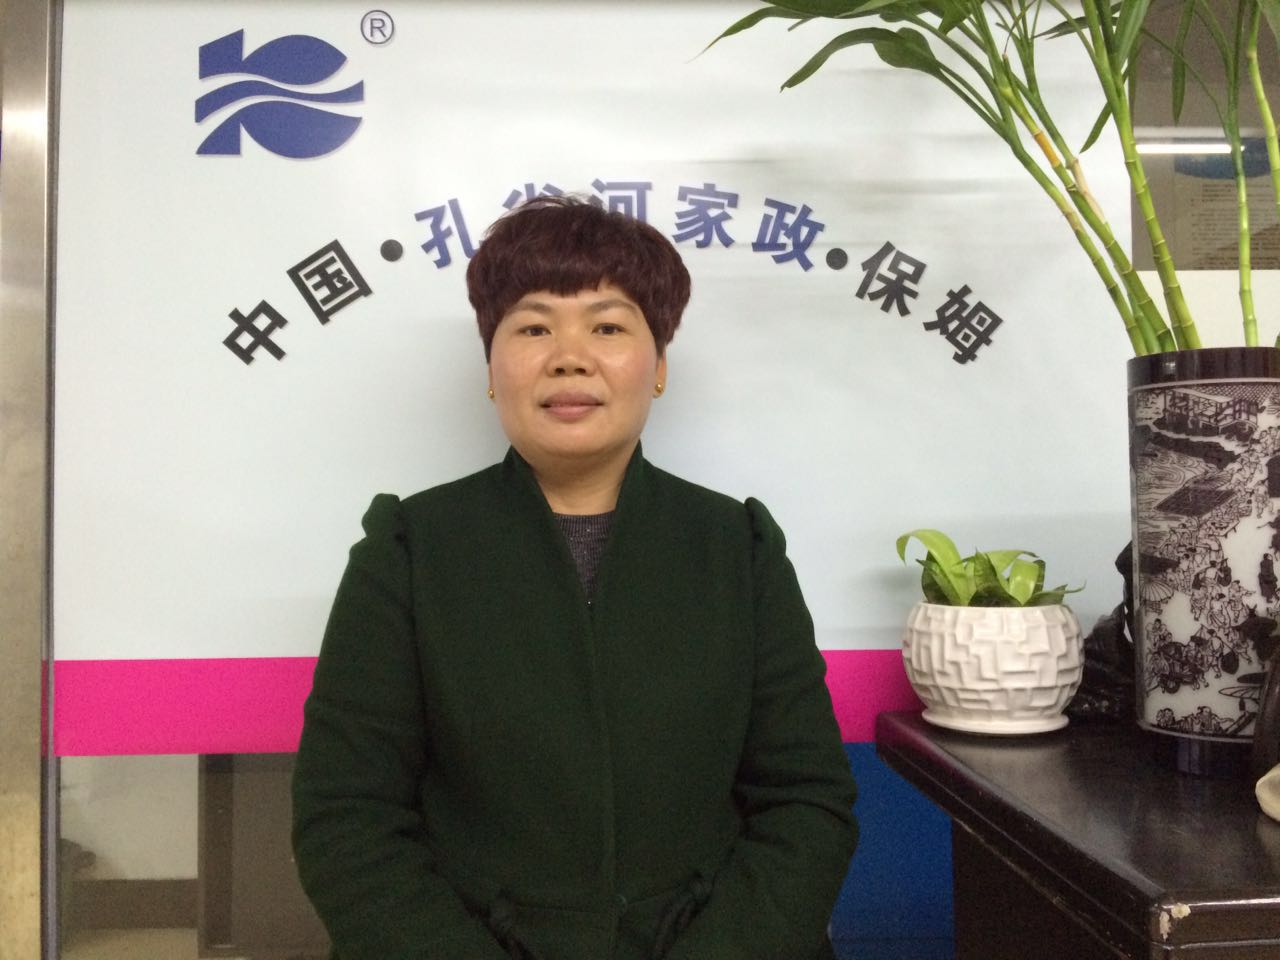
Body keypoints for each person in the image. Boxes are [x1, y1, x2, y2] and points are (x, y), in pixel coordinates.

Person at [291, 196, 858, 960]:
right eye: (532, 328)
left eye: (608, 327)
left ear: (659, 367)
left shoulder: (737, 546)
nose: (569, 356)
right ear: (490, 370)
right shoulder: (409, 549)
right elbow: (347, 817)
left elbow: (806, 801)